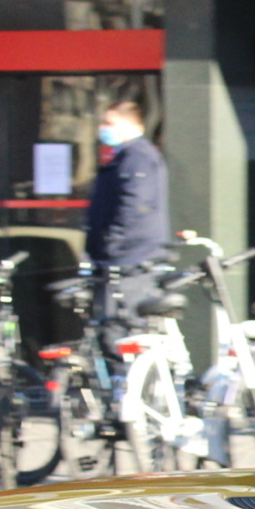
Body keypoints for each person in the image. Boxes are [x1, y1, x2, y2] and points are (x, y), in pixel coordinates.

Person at [82, 100, 171, 339]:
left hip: (130, 261)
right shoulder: (127, 157)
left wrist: (113, 241)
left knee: (122, 331)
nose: (103, 128)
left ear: (131, 124)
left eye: (109, 123)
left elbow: (136, 205)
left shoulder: (137, 157)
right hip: (123, 259)